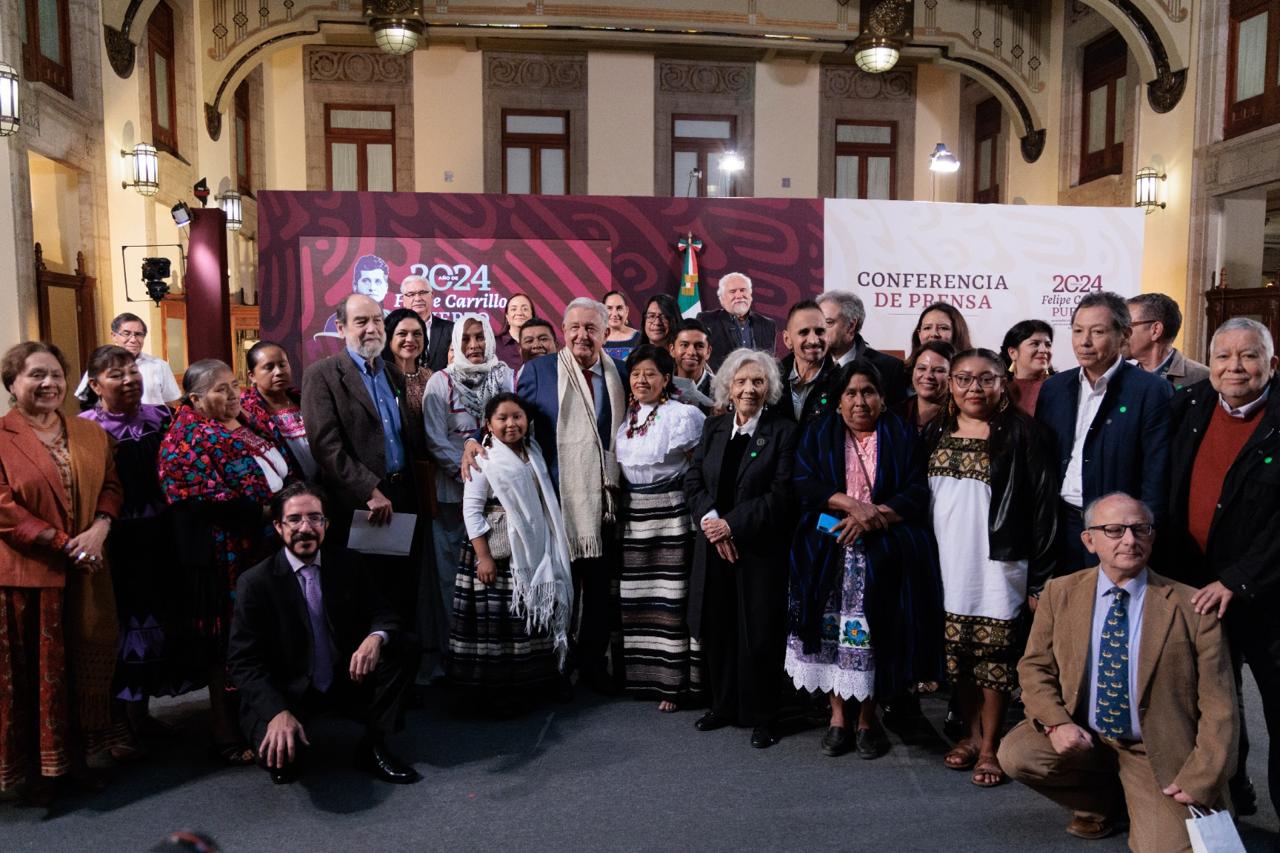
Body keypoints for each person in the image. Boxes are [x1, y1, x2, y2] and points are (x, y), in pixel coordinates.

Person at [999, 492, 1236, 851]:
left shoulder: (1192, 607)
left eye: (1140, 529)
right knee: (1017, 755)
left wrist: (1202, 777)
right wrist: (1056, 722)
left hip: (1155, 750)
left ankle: (1142, 798)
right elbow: (1034, 667)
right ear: (1089, 540)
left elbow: (1220, 706)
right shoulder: (1060, 592)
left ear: (1151, 536)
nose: (1129, 540)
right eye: (1114, 530)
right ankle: (1103, 802)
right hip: (1087, 737)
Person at [463, 298, 625, 693]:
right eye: (574, 328)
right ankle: (555, 665)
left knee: (600, 591)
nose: (582, 336)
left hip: (604, 503)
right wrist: (474, 439)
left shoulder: (619, 373)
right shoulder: (539, 370)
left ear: (605, 333)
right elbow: (512, 420)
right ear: (564, 331)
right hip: (555, 502)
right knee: (559, 585)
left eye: (591, 328)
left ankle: (591, 666)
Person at [786, 359, 943, 760]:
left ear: (883, 397)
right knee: (832, 638)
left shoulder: (902, 436)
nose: (860, 401)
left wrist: (873, 519)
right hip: (827, 543)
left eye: (868, 392)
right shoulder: (820, 433)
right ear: (838, 400)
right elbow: (804, 484)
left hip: (882, 551)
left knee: (871, 637)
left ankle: (867, 720)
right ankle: (837, 717)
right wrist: (851, 506)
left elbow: (915, 493)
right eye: (851, 393)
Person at [923, 348, 1058, 787]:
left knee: (995, 660)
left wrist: (1040, 579)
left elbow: (1042, 511)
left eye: (985, 379)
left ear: (1004, 382)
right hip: (946, 562)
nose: (973, 388)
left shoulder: (1024, 434)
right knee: (958, 657)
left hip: (1000, 565)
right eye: (963, 379)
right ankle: (969, 733)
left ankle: (990, 746)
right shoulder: (934, 430)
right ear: (951, 384)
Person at [227, 482, 420, 785]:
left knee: (403, 645)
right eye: (295, 519)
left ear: (326, 524)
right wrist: (276, 711)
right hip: (287, 689)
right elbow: (243, 662)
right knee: (281, 765)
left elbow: (384, 612)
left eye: (315, 518)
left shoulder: (348, 562)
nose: (306, 528)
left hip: (345, 677)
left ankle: (373, 745)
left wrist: (374, 638)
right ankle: (290, 727)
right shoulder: (255, 583)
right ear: (278, 526)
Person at [1166, 317, 1280, 819]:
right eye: (1223, 356)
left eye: (1249, 355)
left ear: (1271, 364)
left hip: (1268, 595)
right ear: (1208, 365)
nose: (1235, 366)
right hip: (1197, 589)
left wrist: (1239, 579)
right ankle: (1232, 797)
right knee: (1215, 707)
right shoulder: (1186, 408)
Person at [0, 342, 122, 801]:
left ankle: (73, 763)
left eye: (55, 374)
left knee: (79, 669)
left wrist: (100, 529)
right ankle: (33, 775)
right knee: (32, 678)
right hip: (26, 579)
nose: (49, 383)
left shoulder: (89, 434)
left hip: (88, 572)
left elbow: (112, 486)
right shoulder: (1, 436)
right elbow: (4, 508)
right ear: (12, 383)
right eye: (35, 375)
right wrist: (61, 542)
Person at [159, 358, 288, 766]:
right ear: (195, 398)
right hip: (225, 554)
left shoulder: (246, 418)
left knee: (265, 637)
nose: (232, 395)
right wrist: (268, 513)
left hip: (268, 546)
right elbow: (201, 499)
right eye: (220, 389)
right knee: (229, 644)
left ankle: (268, 717)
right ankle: (225, 730)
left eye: (233, 385)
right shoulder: (184, 437)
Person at [685, 349, 797, 748]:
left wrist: (732, 525)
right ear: (727, 388)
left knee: (760, 632)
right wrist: (713, 523)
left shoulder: (783, 431)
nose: (749, 389)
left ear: (769, 389)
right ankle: (723, 705)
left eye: (758, 382)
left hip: (759, 551)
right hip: (714, 547)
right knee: (718, 626)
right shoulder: (713, 429)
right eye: (741, 382)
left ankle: (765, 716)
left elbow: (781, 495)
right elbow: (694, 481)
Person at [80, 346, 190, 744]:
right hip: (116, 542)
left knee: (158, 620)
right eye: (115, 374)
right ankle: (116, 725)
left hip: (162, 535)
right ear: (94, 385)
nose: (128, 380)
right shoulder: (86, 429)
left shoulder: (161, 416)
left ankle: (140, 715)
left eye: (131, 371)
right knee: (123, 627)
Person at [302, 293, 420, 617]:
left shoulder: (393, 374)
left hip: (402, 497)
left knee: (401, 590)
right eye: (361, 321)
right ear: (341, 329)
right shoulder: (322, 375)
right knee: (363, 596)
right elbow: (326, 446)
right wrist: (370, 491)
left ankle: (398, 662)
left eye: (378, 320)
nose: (372, 328)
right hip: (359, 505)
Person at [1036, 292, 1171, 573]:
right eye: (1077, 331)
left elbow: (1155, 472)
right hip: (1060, 523)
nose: (1084, 341)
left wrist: (1142, 534)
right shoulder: (1054, 388)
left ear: (1124, 335)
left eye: (1097, 332)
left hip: (1116, 530)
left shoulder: (1149, 390)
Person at [450, 393, 572, 705]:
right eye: (502, 418)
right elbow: (471, 511)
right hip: (497, 552)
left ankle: (534, 687)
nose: (511, 424)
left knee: (526, 621)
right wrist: (484, 558)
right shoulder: (484, 458)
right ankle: (499, 695)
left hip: (532, 545)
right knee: (501, 626)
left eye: (517, 416)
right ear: (488, 424)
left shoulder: (533, 451)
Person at [615, 344, 707, 711]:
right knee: (637, 598)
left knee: (672, 600)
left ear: (666, 379)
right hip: (635, 517)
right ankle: (643, 679)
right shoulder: (628, 419)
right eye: (636, 374)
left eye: (650, 374)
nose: (641, 380)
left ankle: (675, 684)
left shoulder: (682, 415)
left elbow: (698, 470)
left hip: (671, 516)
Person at [423, 314, 514, 659]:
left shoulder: (504, 375)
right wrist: (472, 473)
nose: (474, 346)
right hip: (452, 496)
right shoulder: (440, 382)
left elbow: (511, 425)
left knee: (498, 577)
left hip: (497, 501)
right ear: (454, 345)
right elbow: (435, 439)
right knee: (454, 579)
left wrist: (490, 479)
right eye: (466, 339)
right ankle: (456, 657)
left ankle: (498, 655)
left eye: (480, 337)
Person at [239, 341, 318, 482]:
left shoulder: (305, 401)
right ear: (252, 376)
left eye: (282, 365)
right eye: (269, 367)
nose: (279, 372)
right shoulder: (245, 414)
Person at [817, 290, 908, 406]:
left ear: (851, 326)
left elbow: (896, 419)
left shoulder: (890, 368)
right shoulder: (807, 364)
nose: (819, 330)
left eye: (828, 322)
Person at [74, 313, 182, 408]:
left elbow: (172, 402)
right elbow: (85, 399)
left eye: (138, 334)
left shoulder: (159, 365)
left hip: (153, 426)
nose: (133, 340)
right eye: (126, 334)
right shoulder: (100, 365)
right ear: (114, 336)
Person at [1126, 293, 1210, 390]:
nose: (1119, 334)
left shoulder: (1203, 379)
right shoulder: (1119, 378)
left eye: (1126, 326)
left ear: (1155, 330)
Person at [698, 272, 778, 371]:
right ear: (722, 299)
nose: (739, 295)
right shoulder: (707, 321)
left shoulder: (767, 324)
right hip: (720, 384)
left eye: (743, 290)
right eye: (733, 291)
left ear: (750, 295)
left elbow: (769, 363)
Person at [778, 299, 839, 424]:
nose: (813, 340)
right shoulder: (769, 378)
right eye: (804, 332)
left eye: (819, 331)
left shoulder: (843, 381)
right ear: (787, 339)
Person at [399, 273, 455, 371]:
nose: (418, 298)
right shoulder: (393, 331)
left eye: (423, 292)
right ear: (403, 299)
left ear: (432, 295)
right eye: (411, 294)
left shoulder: (451, 329)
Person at [1001, 319, 1054, 416]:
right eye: (1035, 344)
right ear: (1013, 353)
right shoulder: (999, 389)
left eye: (1048, 345)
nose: (1044, 350)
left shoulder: (1062, 387)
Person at [900, 341, 954, 432]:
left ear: (952, 376)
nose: (928, 376)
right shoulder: (894, 416)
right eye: (921, 368)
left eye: (939, 370)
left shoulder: (962, 419)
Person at [669, 318, 715, 412]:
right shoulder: (660, 386)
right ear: (672, 349)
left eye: (699, 346)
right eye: (684, 345)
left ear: (708, 352)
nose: (691, 352)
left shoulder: (723, 392)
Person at [495, 292, 535, 367]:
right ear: (507, 316)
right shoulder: (494, 344)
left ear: (532, 315)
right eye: (514, 309)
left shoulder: (539, 344)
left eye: (525, 309)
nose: (519, 313)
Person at [603, 290, 643, 362]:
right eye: (609, 308)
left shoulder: (640, 338)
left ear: (627, 311)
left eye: (619, 308)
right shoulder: (596, 339)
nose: (614, 314)